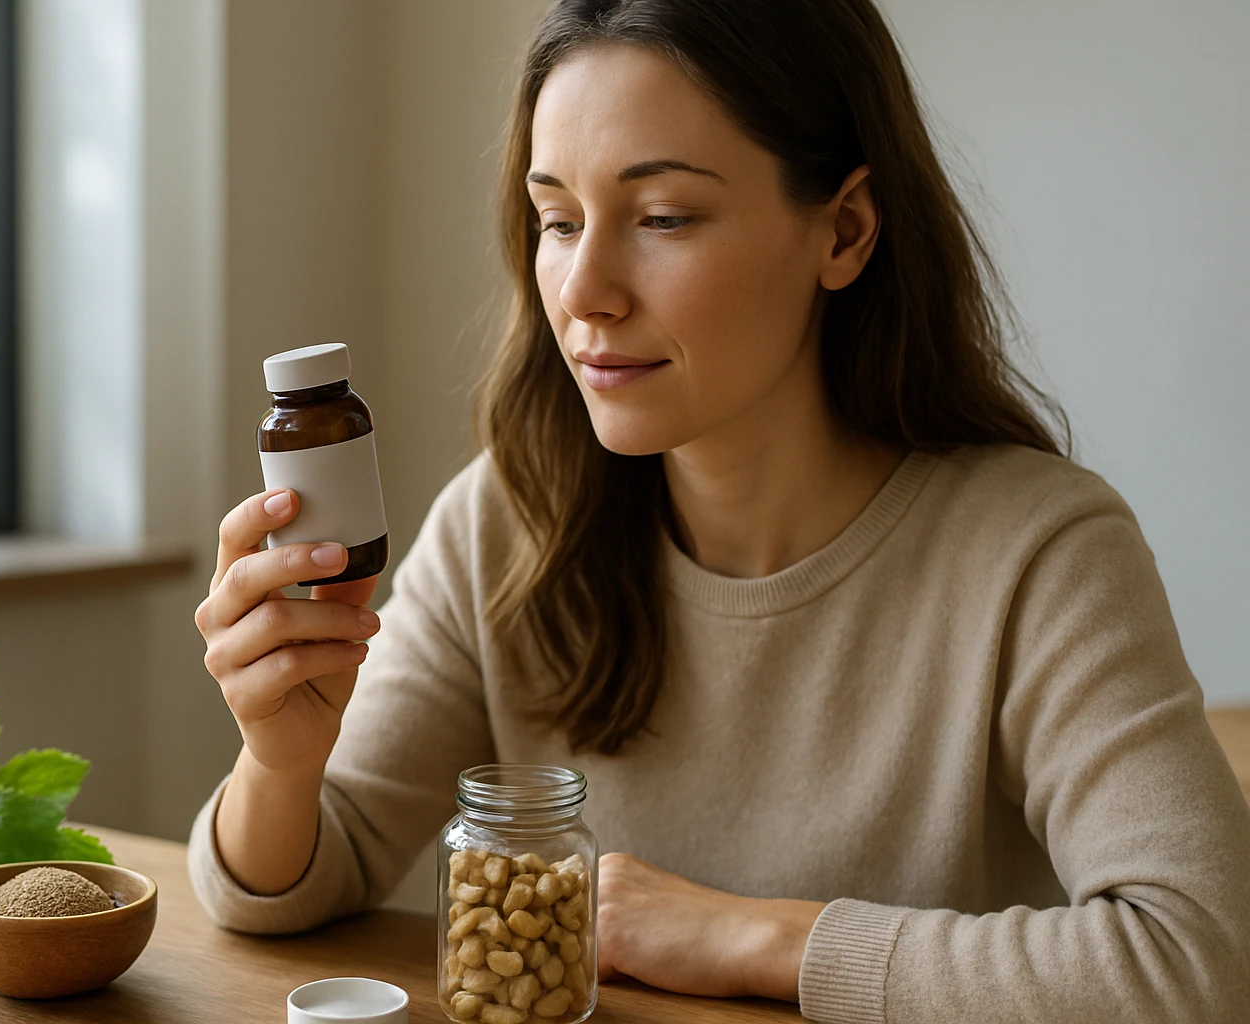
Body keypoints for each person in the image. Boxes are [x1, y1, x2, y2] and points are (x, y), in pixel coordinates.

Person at [188, 1, 1250, 1020]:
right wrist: (280, 760)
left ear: (844, 231)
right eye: (557, 219)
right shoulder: (511, 524)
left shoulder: (1039, 555)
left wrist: (747, 937)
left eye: (662, 217)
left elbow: (1200, 960)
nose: (585, 289)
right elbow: (289, 884)